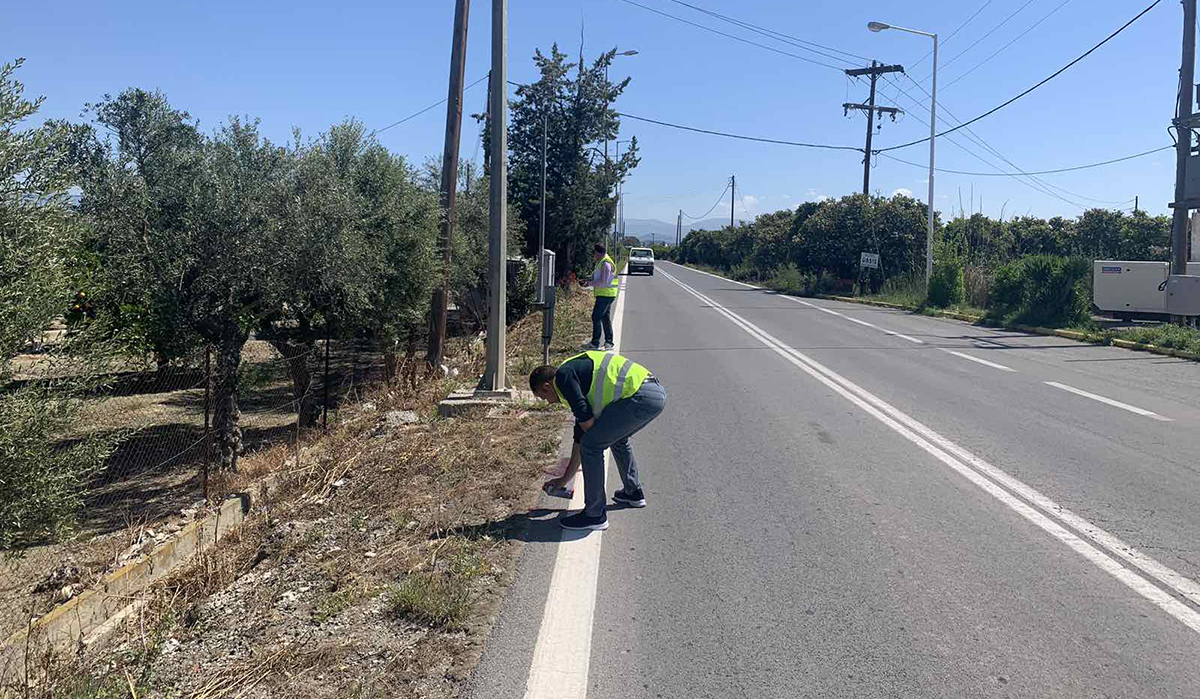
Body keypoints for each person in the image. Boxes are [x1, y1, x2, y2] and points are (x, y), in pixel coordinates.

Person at [530, 350, 667, 531]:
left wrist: (592, 441)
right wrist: (563, 480)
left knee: (593, 446)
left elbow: (587, 433)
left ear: (547, 386)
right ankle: (632, 492)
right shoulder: (575, 376)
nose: (547, 402)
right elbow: (580, 437)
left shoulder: (563, 378)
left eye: (543, 396)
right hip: (653, 393)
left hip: (639, 396)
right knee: (616, 439)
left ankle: (595, 515)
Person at [579, 243, 618, 350]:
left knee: (596, 317)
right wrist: (588, 279)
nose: (593, 255)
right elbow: (598, 277)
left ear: (598, 253)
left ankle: (595, 343)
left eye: (594, 253)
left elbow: (603, 281)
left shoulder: (606, 264)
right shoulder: (602, 262)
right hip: (605, 294)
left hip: (606, 294)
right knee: (605, 318)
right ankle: (608, 343)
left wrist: (589, 284)